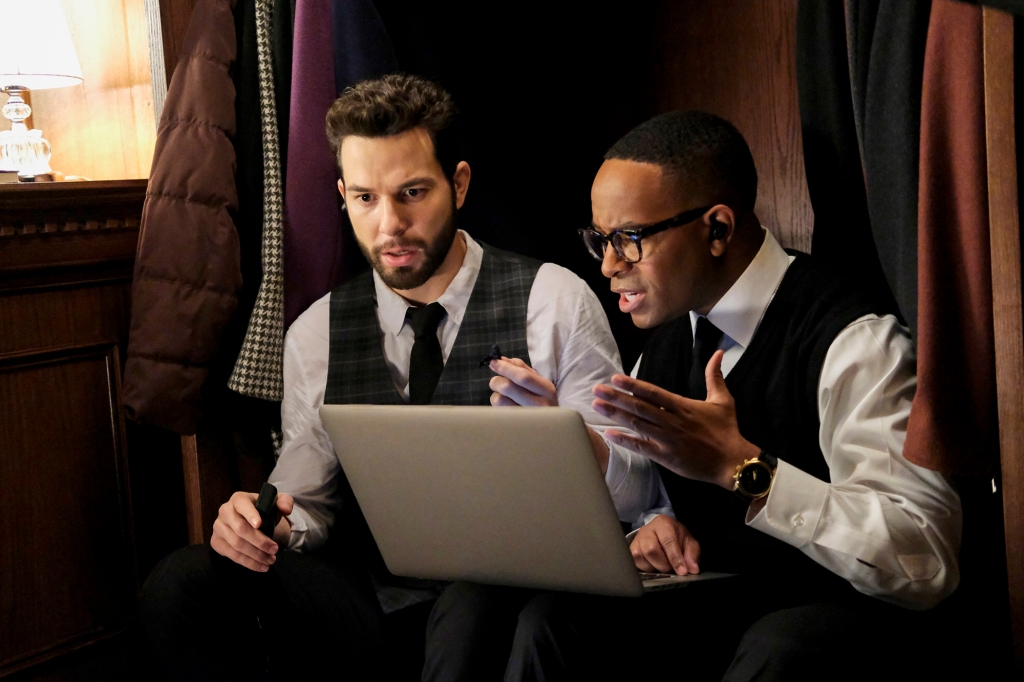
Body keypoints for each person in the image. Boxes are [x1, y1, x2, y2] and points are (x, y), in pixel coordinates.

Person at [139, 74, 659, 680]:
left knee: (472, 608)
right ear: (341, 194)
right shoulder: (315, 333)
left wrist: (572, 441)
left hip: (512, 590)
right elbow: (305, 502)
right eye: (365, 198)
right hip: (373, 595)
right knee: (180, 583)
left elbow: (641, 492)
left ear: (458, 184)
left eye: (411, 193)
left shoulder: (555, 301)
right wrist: (264, 520)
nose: (389, 225)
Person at [462, 110, 963, 681]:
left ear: (717, 228)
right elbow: (653, 492)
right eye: (600, 240)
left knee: (781, 647)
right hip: (732, 597)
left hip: (847, 618)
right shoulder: (671, 338)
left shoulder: (852, 338)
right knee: (555, 620)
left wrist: (743, 467)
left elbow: (925, 557)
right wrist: (598, 473)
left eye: (628, 240)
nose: (607, 266)